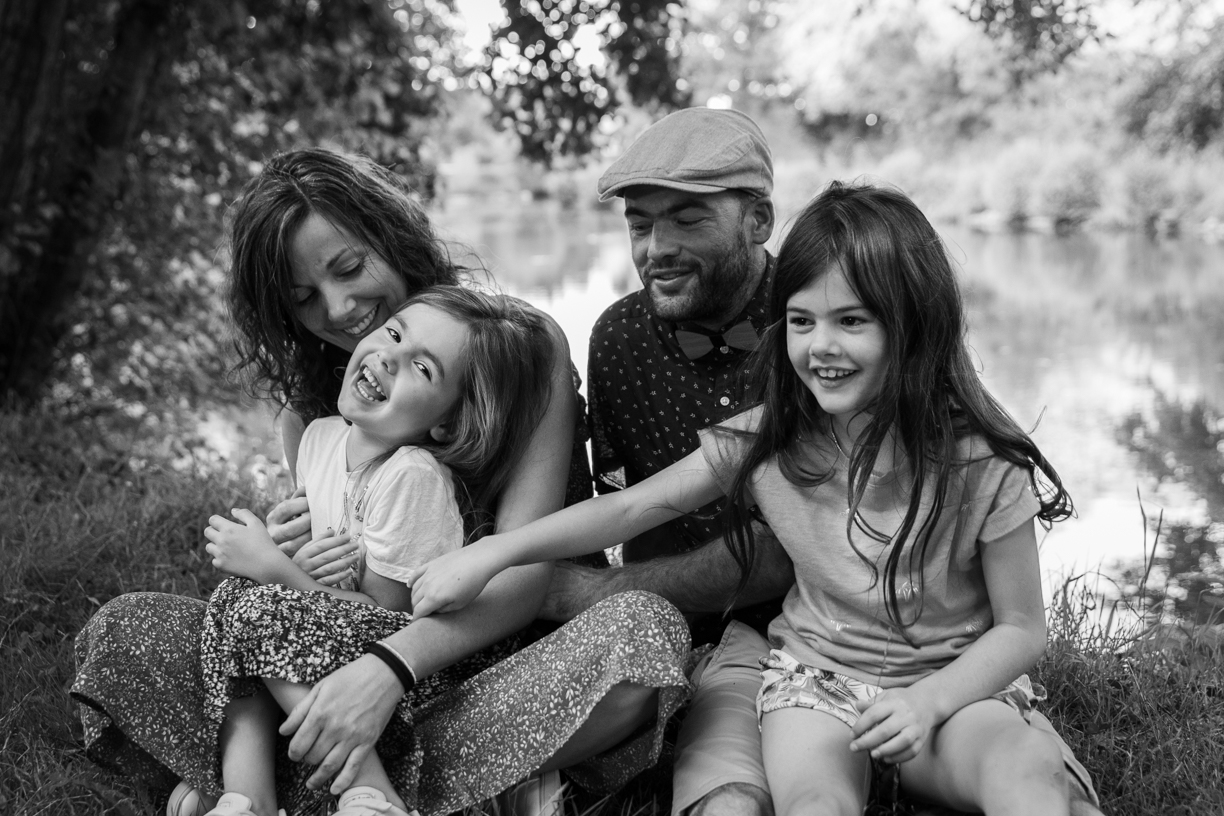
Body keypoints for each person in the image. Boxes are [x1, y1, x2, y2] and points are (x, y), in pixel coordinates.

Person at [410, 181, 1081, 816]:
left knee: (1026, 769)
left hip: (952, 689)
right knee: (814, 805)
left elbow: (1023, 627)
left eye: (852, 320)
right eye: (801, 321)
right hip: (818, 688)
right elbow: (630, 508)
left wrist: (930, 702)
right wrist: (495, 553)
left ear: (915, 325)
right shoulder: (769, 437)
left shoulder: (981, 460)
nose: (821, 346)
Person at [72, 148, 691, 816]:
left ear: (392, 238)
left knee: (641, 635)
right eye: (304, 298)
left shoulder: (517, 344)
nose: (340, 309)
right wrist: (296, 552)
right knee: (120, 633)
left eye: (348, 268)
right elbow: (318, 602)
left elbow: (521, 583)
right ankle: (390, 779)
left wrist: (386, 671)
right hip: (335, 654)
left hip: (491, 668)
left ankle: (296, 778)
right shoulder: (313, 408)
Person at [197, 287, 556, 816]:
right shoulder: (318, 439)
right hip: (319, 649)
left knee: (255, 602)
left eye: (423, 369)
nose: (389, 358)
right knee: (235, 599)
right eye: (393, 334)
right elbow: (315, 578)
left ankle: (373, 796)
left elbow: (390, 621)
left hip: (402, 682)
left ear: (447, 423)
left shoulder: (412, 476)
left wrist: (273, 569)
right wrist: (286, 554)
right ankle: (246, 800)